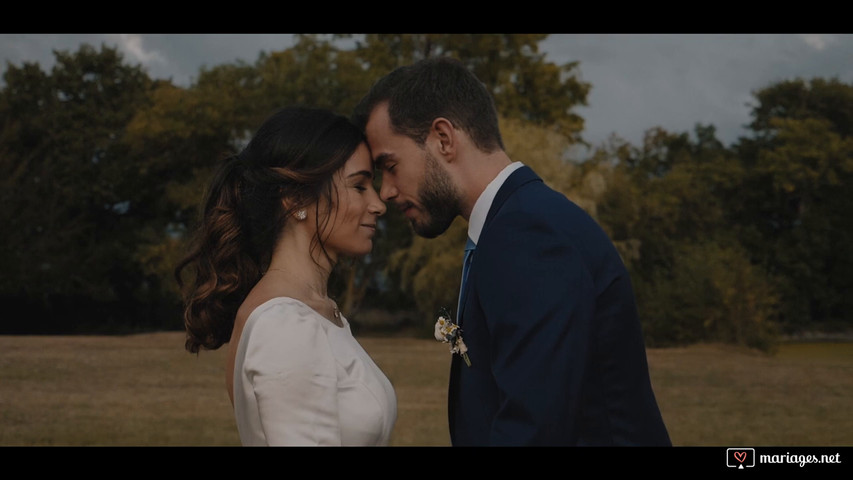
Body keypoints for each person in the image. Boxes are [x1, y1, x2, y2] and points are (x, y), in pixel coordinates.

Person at [353, 57, 671, 446]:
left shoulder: (529, 236)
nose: (385, 191)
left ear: (443, 139)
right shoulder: (517, 224)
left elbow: (533, 427)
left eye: (390, 165)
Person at [175, 106, 396, 446]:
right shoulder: (284, 324)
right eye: (360, 186)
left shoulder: (312, 310)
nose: (379, 204)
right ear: (295, 199)